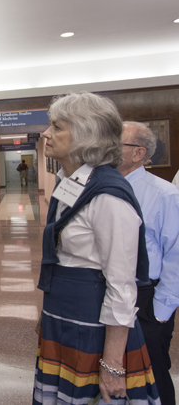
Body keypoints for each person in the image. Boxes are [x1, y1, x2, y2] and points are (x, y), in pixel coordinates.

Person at [33, 92, 159, 404]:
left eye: (57, 127)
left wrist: (113, 365)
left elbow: (121, 286)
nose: (46, 134)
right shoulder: (70, 182)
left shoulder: (109, 196)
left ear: (86, 136)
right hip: (63, 314)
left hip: (93, 326)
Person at [118, 121, 179, 405]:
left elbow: (175, 255)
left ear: (138, 153)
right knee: (115, 369)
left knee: (152, 372)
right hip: (110, 292)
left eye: (117, 143)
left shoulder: (165, 194)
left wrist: (161, 311)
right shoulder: (101, 187)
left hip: (147, 298)